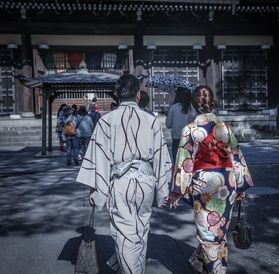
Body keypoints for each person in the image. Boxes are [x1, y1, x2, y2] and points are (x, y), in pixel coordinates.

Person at [76, 74, 172, 274]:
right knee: (141, 229)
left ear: (117, 95)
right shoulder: (151, 121)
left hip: (120, 183)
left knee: (125, 233)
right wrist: (163, 190)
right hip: (146, 182)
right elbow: (161, 156)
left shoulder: (106, 121)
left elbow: (99, 158)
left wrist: (95, 190)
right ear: (138, 95)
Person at [169, 85, 254, 274]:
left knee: (208, 233)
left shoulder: (190, 129)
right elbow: (236, 156)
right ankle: (203, 265)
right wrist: (240, 187)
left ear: (193, 105)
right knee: (218, 230)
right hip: (227, 181)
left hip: (205, 184)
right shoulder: (225, 128)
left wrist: (177, 191)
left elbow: (185, 162)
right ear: (212, 102)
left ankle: (217, 270)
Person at [166, 87, 196, 162]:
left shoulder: (173, 108)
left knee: (177, 163)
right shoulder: (191, 108)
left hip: (176, 139)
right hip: (188, 139)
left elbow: (168, 125)